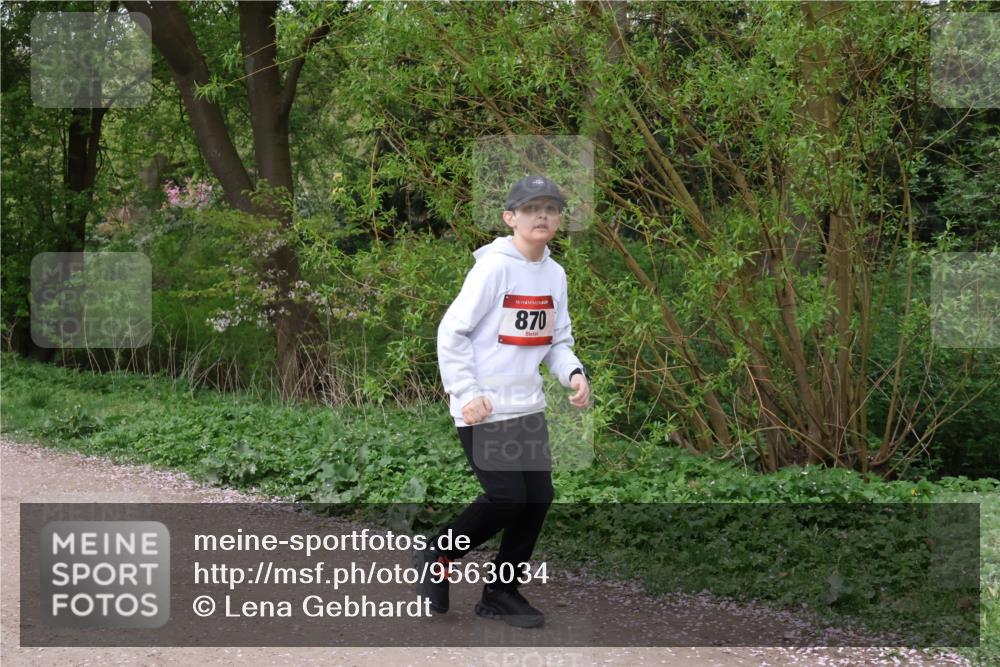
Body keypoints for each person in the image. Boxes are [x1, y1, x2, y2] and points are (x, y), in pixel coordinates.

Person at [415, 175, 591, 629]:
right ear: (510, 218)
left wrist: (573, 373)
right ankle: (437, 553)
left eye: (551, 208)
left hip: (527, 407)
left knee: (538, 498)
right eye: (531, 209)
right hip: (485, 407)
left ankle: (500, 593)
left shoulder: (555, 275)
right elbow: (451, 331)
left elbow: (557, 341)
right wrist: (466, 392)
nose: (542, 216)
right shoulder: (493, 268)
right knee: (507, 496)